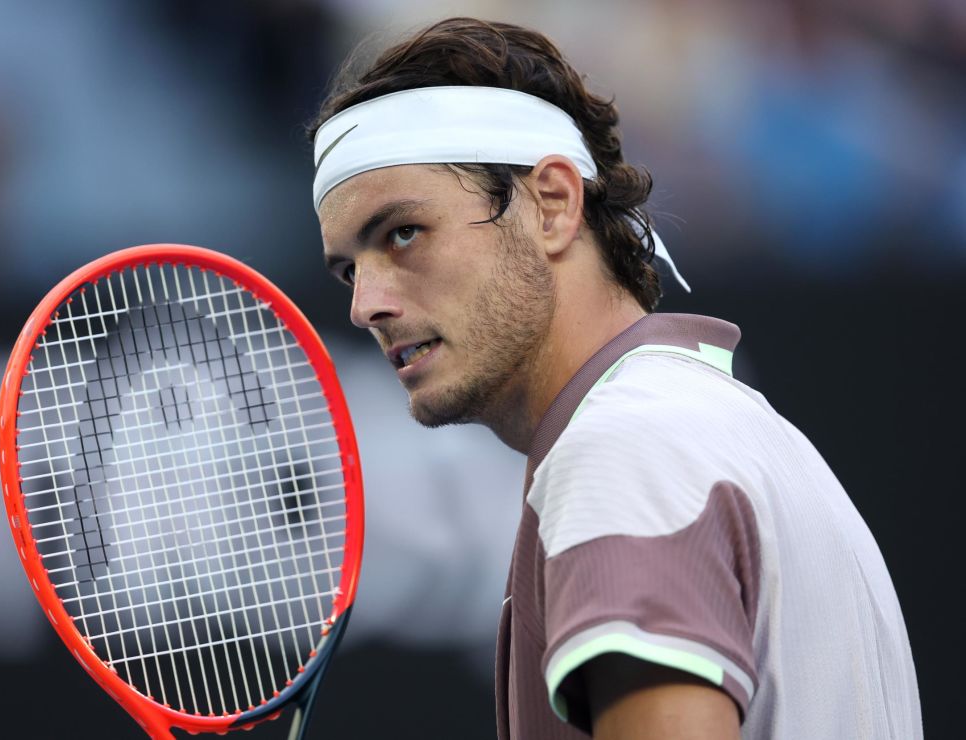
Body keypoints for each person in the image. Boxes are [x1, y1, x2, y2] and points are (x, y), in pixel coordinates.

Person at [306, 16, 922, 740]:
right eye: (349, 268)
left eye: (402, 233)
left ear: (554, 204)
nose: (363, 304)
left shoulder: (623, 450)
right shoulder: (716, 427)